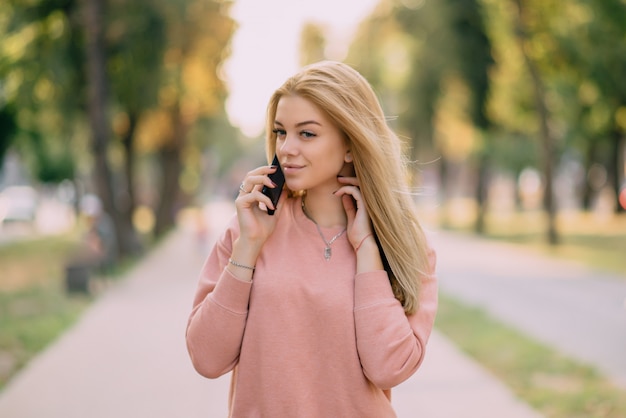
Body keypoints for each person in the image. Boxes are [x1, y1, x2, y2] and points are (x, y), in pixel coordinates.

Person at [186, 61, 438, 417]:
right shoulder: (247, 230)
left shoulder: (404, 247)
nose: (286, 148)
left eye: (306, 134)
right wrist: (248, 247)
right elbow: (207, 358)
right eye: (280, 132)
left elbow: (388, 368)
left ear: (350, 144)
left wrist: (367, 250)